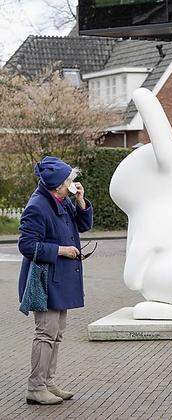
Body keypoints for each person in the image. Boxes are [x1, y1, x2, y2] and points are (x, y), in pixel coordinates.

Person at [18, 156, 93, 405]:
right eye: (69, 180)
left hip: (60, 280)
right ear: (58, 184)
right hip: (45, 280)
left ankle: (48, 383)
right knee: (45, 333)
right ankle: (36, 387)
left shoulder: (61, 201)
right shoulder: (38, 206)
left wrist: (81, 201)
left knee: (56, 333)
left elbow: (83, 226)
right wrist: (62, 250)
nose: (72, 183)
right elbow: (27, 246)